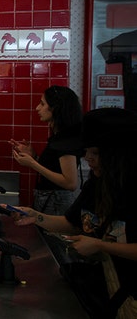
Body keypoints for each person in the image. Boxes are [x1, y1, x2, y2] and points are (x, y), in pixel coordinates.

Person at [9, 108, 137, 319]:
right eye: (86, 151)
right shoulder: (97, 184)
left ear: (117, 154)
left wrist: (100, 245)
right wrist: (35, 216)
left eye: (95, 153)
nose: (87, 158)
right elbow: (72, 222)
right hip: (112, 291)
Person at [10, 85, 84, 214]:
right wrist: (34, 157)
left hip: (56, 204)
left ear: (55, 108)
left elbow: (70, 183)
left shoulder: (65, 140)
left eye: (42, 104)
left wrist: (33, 164)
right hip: (50, 201)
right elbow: (55, 169)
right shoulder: (58, 137)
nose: (37, 108)